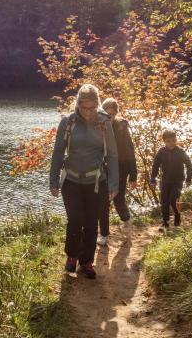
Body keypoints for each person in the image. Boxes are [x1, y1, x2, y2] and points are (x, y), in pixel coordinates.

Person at [49, 84, 119, 279]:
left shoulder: (104, 123)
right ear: (77, 104)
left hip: (96, 181)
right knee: (75, 219)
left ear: (97, 105)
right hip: (71, 180)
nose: (87, 112)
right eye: (83, 107)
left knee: (90, 222)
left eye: (91, 108)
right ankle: (72, 256)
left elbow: (112, 155)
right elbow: (57, 153)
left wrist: (114, 184)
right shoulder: (68, 122)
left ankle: (86, 261)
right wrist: (53, 180)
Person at [97, 98, 138, 246]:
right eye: (107, 114)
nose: (110, 117)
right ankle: (104, 233)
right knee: (103, 201)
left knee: (118, 198)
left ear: (116, 114)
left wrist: (133, 175)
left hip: (121, 168)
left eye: (112, 115)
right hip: (104, 168)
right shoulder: (97, 125)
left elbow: (130, 151)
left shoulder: (121, 127)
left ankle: (126, 220)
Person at [150, 129, 192, 231]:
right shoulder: (161, 152)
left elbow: (189, 165)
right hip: (165, 181)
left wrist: (188, 178)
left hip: (178, 181)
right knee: (164, 202)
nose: (172, 143)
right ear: (164, 141)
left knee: (173, 200)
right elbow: (155, 166)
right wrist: (153, 179)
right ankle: (165, 222)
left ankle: (177, 216)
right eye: (169, 141)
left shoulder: (180, 151)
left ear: (176, 140)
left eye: (174, 140)